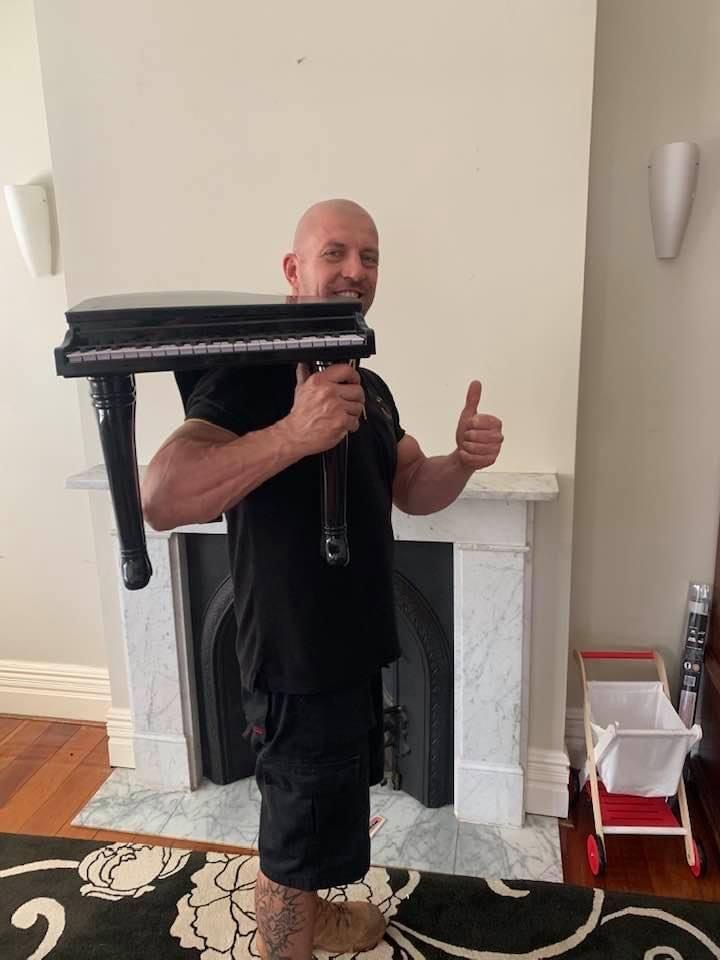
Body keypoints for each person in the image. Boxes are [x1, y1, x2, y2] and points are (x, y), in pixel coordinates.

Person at [141, 199, 503, 960]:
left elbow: (413, 486)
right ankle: (288, 943)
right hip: (293, 655)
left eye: (369, 258)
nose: (355, 271)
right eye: (335, 252)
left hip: (353, 648)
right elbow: (163, 495)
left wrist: (463, 463)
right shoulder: (253, 370)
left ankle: (319, 917)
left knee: (329, 812)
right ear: (293, 270)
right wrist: (290, 435)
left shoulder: (369, 386)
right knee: (293, 837)